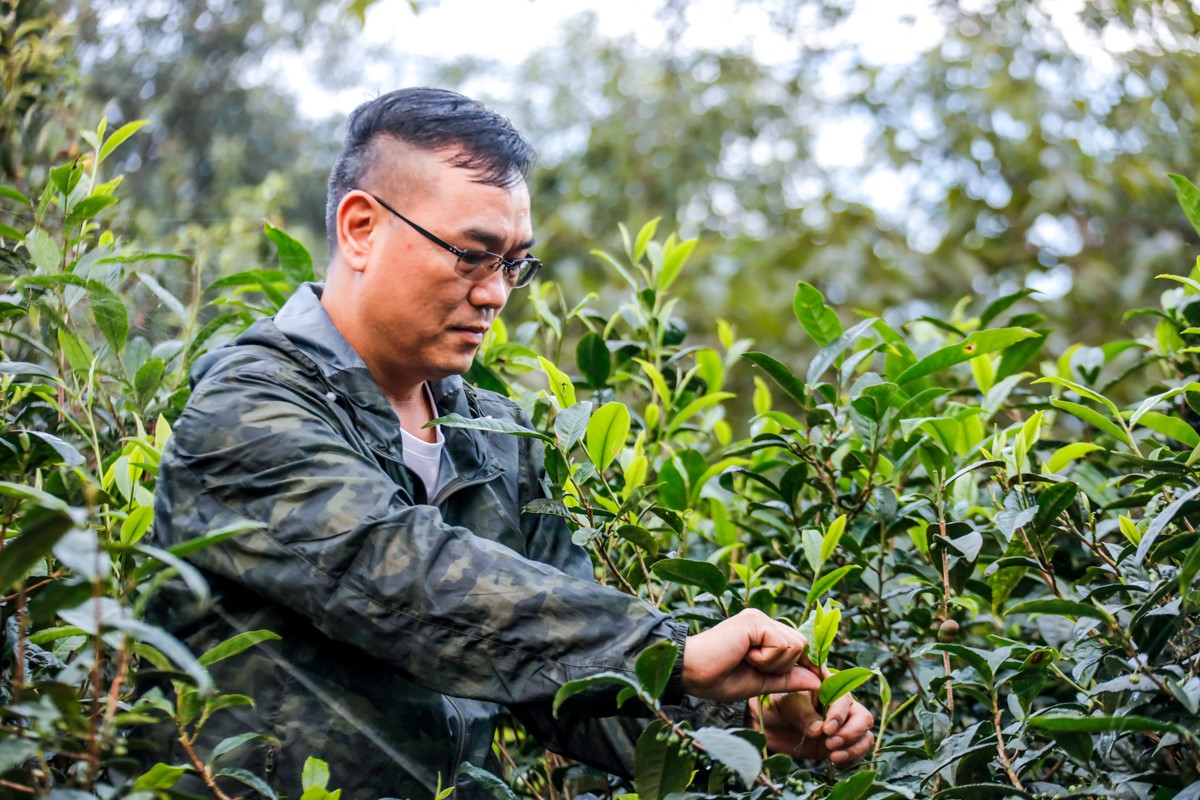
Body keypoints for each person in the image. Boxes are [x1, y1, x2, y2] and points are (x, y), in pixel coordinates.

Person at [151, 87, 874, 799]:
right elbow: (406, 578)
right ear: (361, 228)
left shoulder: (495, 438)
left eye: (514, 264)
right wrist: (672, 654)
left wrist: (744, 720)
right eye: (471, 254)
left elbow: (558, 681)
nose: (495, 293)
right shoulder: (249, 405)